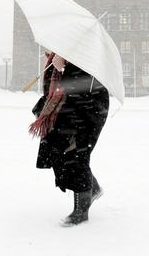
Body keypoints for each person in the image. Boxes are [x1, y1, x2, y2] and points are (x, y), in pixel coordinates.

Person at [30, 51, 109, 226]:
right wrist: (57, 65)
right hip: (67, 107)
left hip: (87, 109)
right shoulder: (63, 50)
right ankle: (93, 188)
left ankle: (81, 210)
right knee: (57, 151)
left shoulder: (86, 53)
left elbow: (84, 84)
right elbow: (53, 85)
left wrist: (64, 69)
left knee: (76, 155)